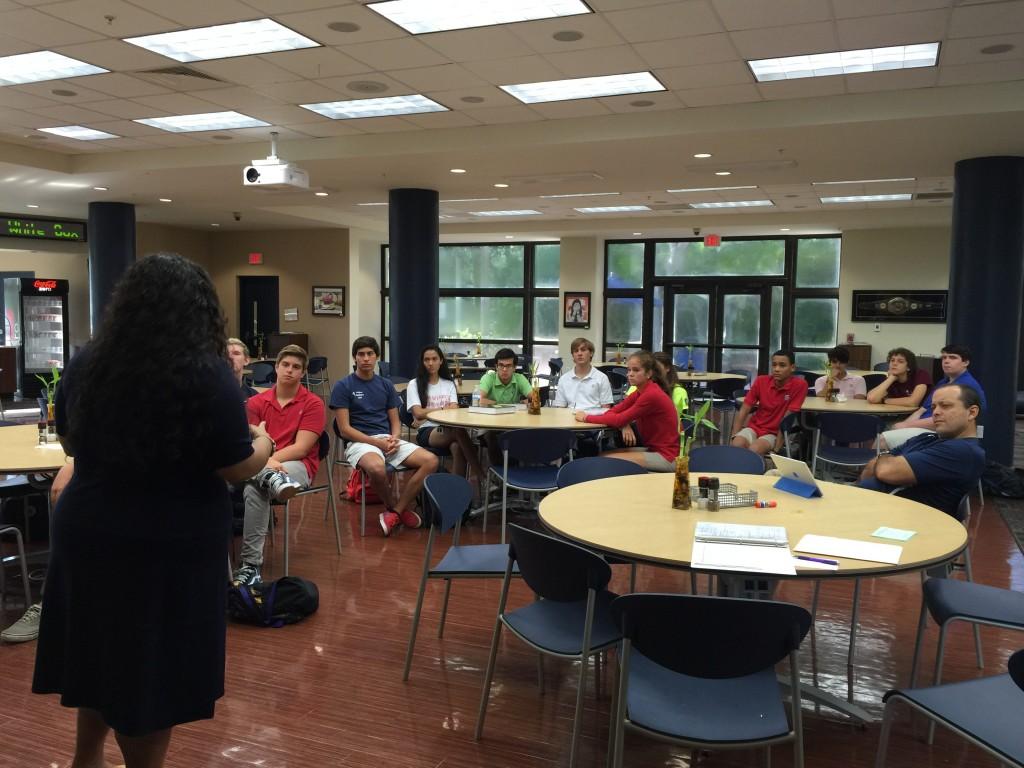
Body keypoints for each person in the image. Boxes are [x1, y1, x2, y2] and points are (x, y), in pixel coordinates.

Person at [32, 253, 273, 766]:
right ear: (200, 312)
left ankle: (85, 759)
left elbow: (70, 444)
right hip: (167, 544)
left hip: (89, 531)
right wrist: (266, 442)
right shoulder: (206, 375)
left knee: (99, 653)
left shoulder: (87, 361)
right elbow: (235, 467)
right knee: (149, 672)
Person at [232, 344, 325, 586]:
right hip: (263, 464)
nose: (289, 371)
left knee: (255, 483)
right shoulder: (256, 402)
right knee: (256, 486)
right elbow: (248, 443)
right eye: (285, 365)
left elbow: (301, 448)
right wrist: (266, 463)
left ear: (303, 372)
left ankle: (250, 565)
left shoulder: (313, 403)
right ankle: (249, 565)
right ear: (276, 367)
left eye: (296, 367)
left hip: (297, 466)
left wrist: (268, 460)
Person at [331, 336, 439, 537]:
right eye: (361, 354)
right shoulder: (343, 386)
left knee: (431, 461)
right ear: (354, 358)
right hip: (360, 442)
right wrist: (376, 442)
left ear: (377, 357)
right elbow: (344, 429)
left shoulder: (386, 385)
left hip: (386, 439)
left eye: (370, 354)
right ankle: (395, 509)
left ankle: (396, 511)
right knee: (376, 467)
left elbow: (395, 420)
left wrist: (395, 437)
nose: (365, 358)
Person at [858, 383, 985, 518]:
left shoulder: (963, 451)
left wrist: (885, 459)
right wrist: (887, 462)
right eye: (934, 407)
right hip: (868, 505)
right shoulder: (926, 438)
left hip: (892, 522)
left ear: (972, 412)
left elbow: (885, 471)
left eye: (945, 406)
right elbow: (870, 469)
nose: (935, 412)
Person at [574, 350, 679, 471]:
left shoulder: (651, 394)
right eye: (629, 370)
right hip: (654, 450)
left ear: (649, 373)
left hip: (667, 457)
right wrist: (622, 421)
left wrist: (586, 417)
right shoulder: (639, 392)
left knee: (604, 459)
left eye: (636, 370)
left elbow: (618, 419)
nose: (630, 374)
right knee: (602, 455)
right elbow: (613, 412)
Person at [406, 344, 483, 482]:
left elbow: (453, 410)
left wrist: (428, 413)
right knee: (458, 431)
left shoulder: (448, 384)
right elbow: (418, 413)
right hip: (427, 431)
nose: (430, 363)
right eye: (427, 360)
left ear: (441, 361)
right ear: (422, 362)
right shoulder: (414, 384)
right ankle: (480, 475)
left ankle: (455, 493)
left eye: (434, 359)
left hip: (448, 428)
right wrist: (442, 409)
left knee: (457, 446)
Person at [731, 349, 808, 456]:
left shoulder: (800, 385)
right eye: (774, 365)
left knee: (754, 450)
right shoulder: (761, 381)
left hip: (773, 433)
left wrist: (777, 446)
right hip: (754, 427)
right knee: (736, 445)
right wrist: (735, 434)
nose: (776, 369)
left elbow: (788, 417)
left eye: (782, 365)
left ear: (792, 368)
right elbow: (745, 408)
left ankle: (757, 470)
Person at [620, 351, 688, 447]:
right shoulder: (637, 386)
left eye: (656, 368)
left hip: (662, 439)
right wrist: (625, 424)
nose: (653, 372)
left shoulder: (678, 392)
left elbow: (675, 422)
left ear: (667, 368)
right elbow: (623, 410)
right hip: (639, 432)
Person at [553, 337, 613, 410]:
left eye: (583, 350)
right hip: (570, 418)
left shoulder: (602, 378)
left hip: (593, 418)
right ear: (573, 355)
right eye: (576, 351)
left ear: (591, 353)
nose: (579, 353)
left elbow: (606, 408)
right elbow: (560, 407)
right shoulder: (564, 379)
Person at [866, 347, 930, 407]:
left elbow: (913, 402)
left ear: (908, 367)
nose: (894, 363)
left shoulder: (921, 374)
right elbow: (872, 398)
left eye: (900, 361)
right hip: (897, 413)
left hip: (922, 414)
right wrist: (891, 379)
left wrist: (884, 400)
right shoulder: (891, 378)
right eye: (892, 360)